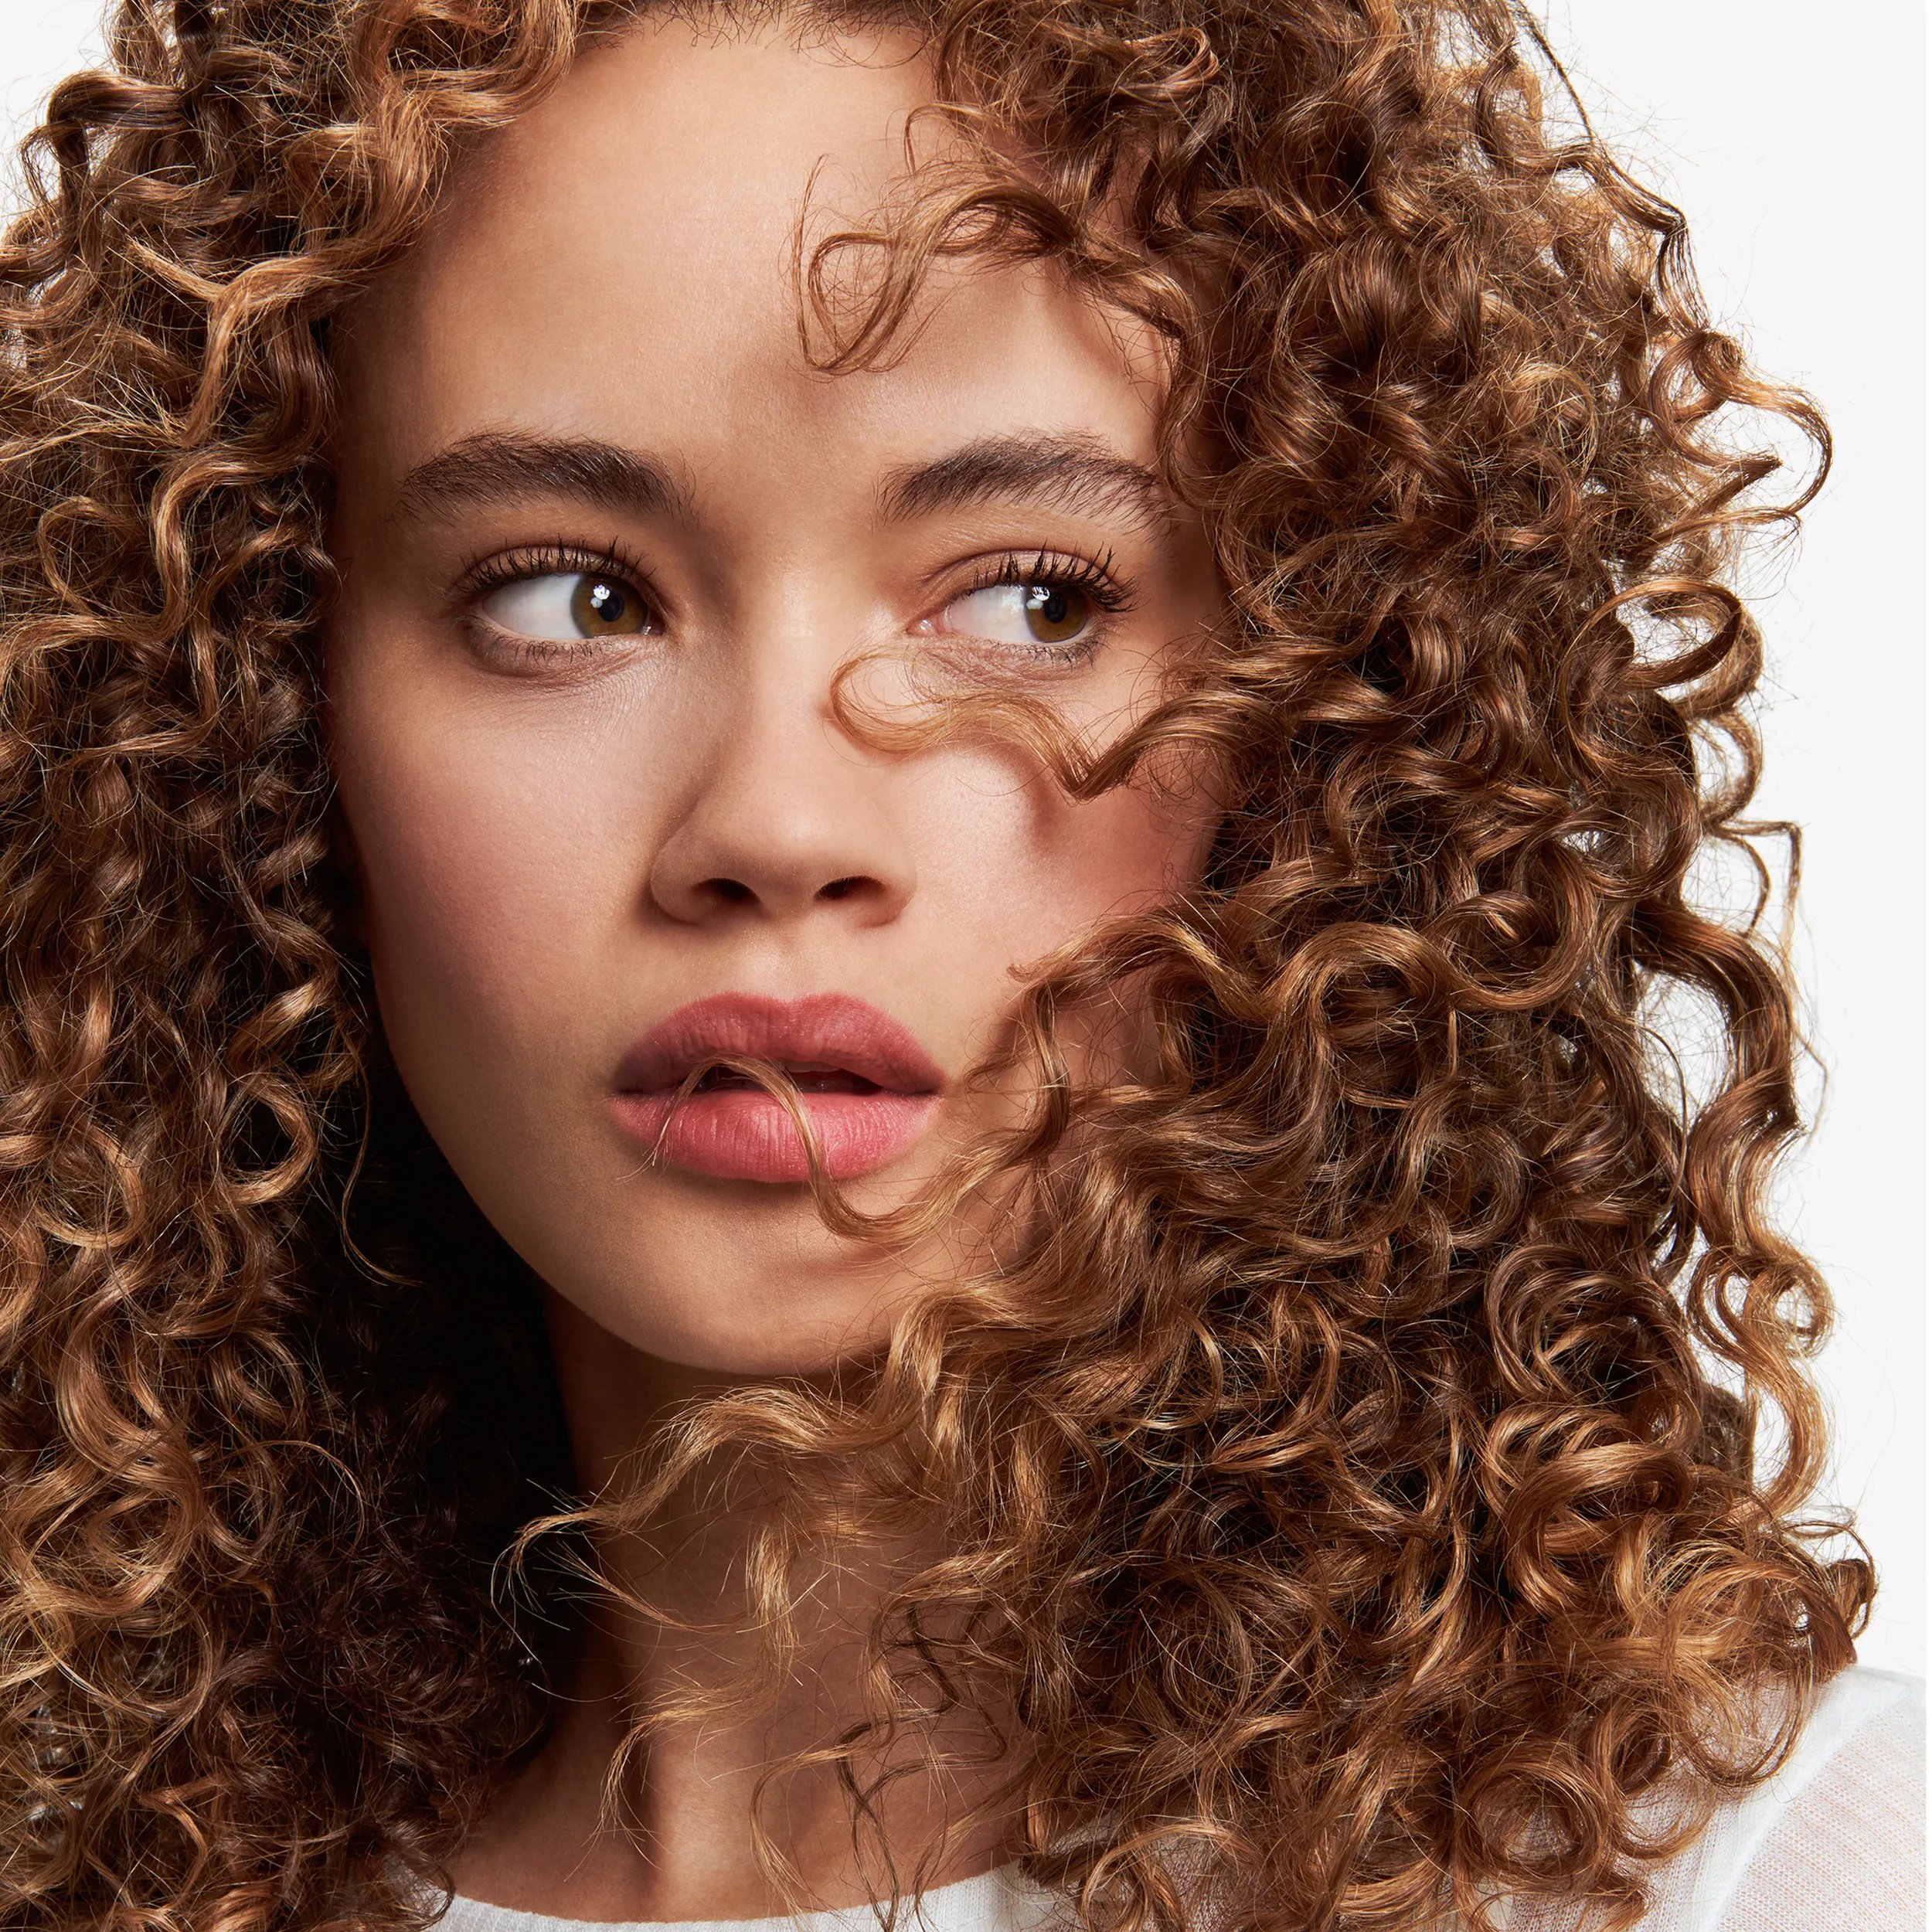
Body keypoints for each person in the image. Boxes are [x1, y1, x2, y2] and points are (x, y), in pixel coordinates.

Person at [0, 2, 1919, 1930]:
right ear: (258, 718)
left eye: (1028, 597)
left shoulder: (1777, 1872)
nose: (771, 816)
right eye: (567, 595)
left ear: (1332, 720)